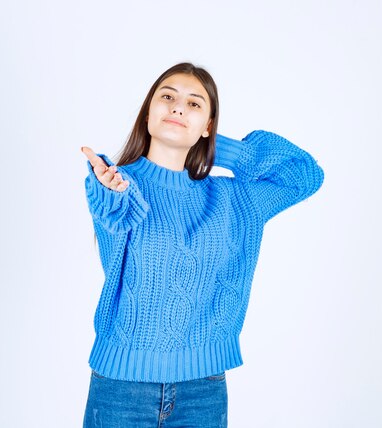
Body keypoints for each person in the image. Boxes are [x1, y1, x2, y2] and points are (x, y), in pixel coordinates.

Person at [80, 62, 324, 427]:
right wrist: (111, 193)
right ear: (148, 112)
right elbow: (115, 218)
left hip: (203, 389)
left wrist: (220, 149)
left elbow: (305, 176)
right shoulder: (116, 185)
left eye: (195, 104)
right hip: (122, 387)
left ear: (209, 124)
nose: (178, 107)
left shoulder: (233, 199)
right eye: (167, 97)